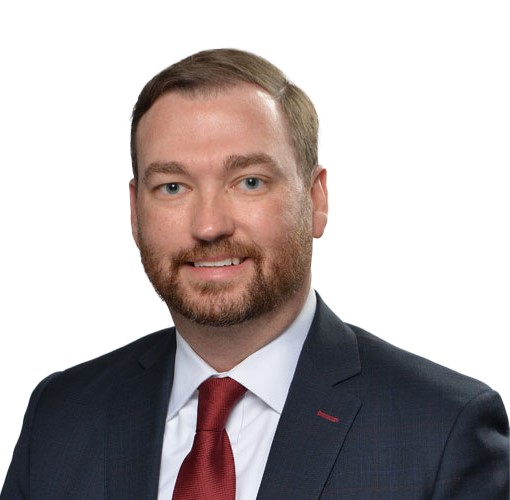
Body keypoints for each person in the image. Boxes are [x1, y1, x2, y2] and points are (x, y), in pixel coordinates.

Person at [1, 48, 508, 500]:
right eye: (173, 187)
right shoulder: (60, 416)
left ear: (316, 200)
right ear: (135, 212)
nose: (209, 226)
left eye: (249, 182)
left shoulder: (443, 431)